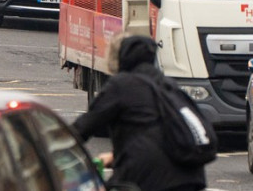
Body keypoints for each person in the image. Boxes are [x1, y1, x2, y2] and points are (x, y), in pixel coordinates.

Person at [72, 35, 207, 191]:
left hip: (146, 181)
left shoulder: (121, 85)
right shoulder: (169, 86)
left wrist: (49, 146)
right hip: (191, 179)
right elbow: (154, 135)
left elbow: (81, 129)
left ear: (121, 57)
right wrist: (116, 157)